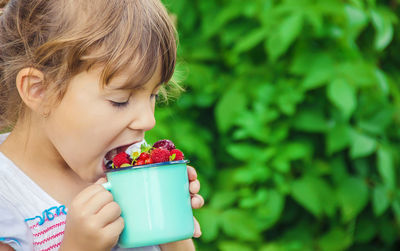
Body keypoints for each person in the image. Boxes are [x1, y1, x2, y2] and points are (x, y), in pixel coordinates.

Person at [0, 0, 204, 250]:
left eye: (153, 96)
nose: (148, 120)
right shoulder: (7, 200)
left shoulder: (124, 158)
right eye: (120, 100)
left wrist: (171, 224)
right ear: (39, 90)